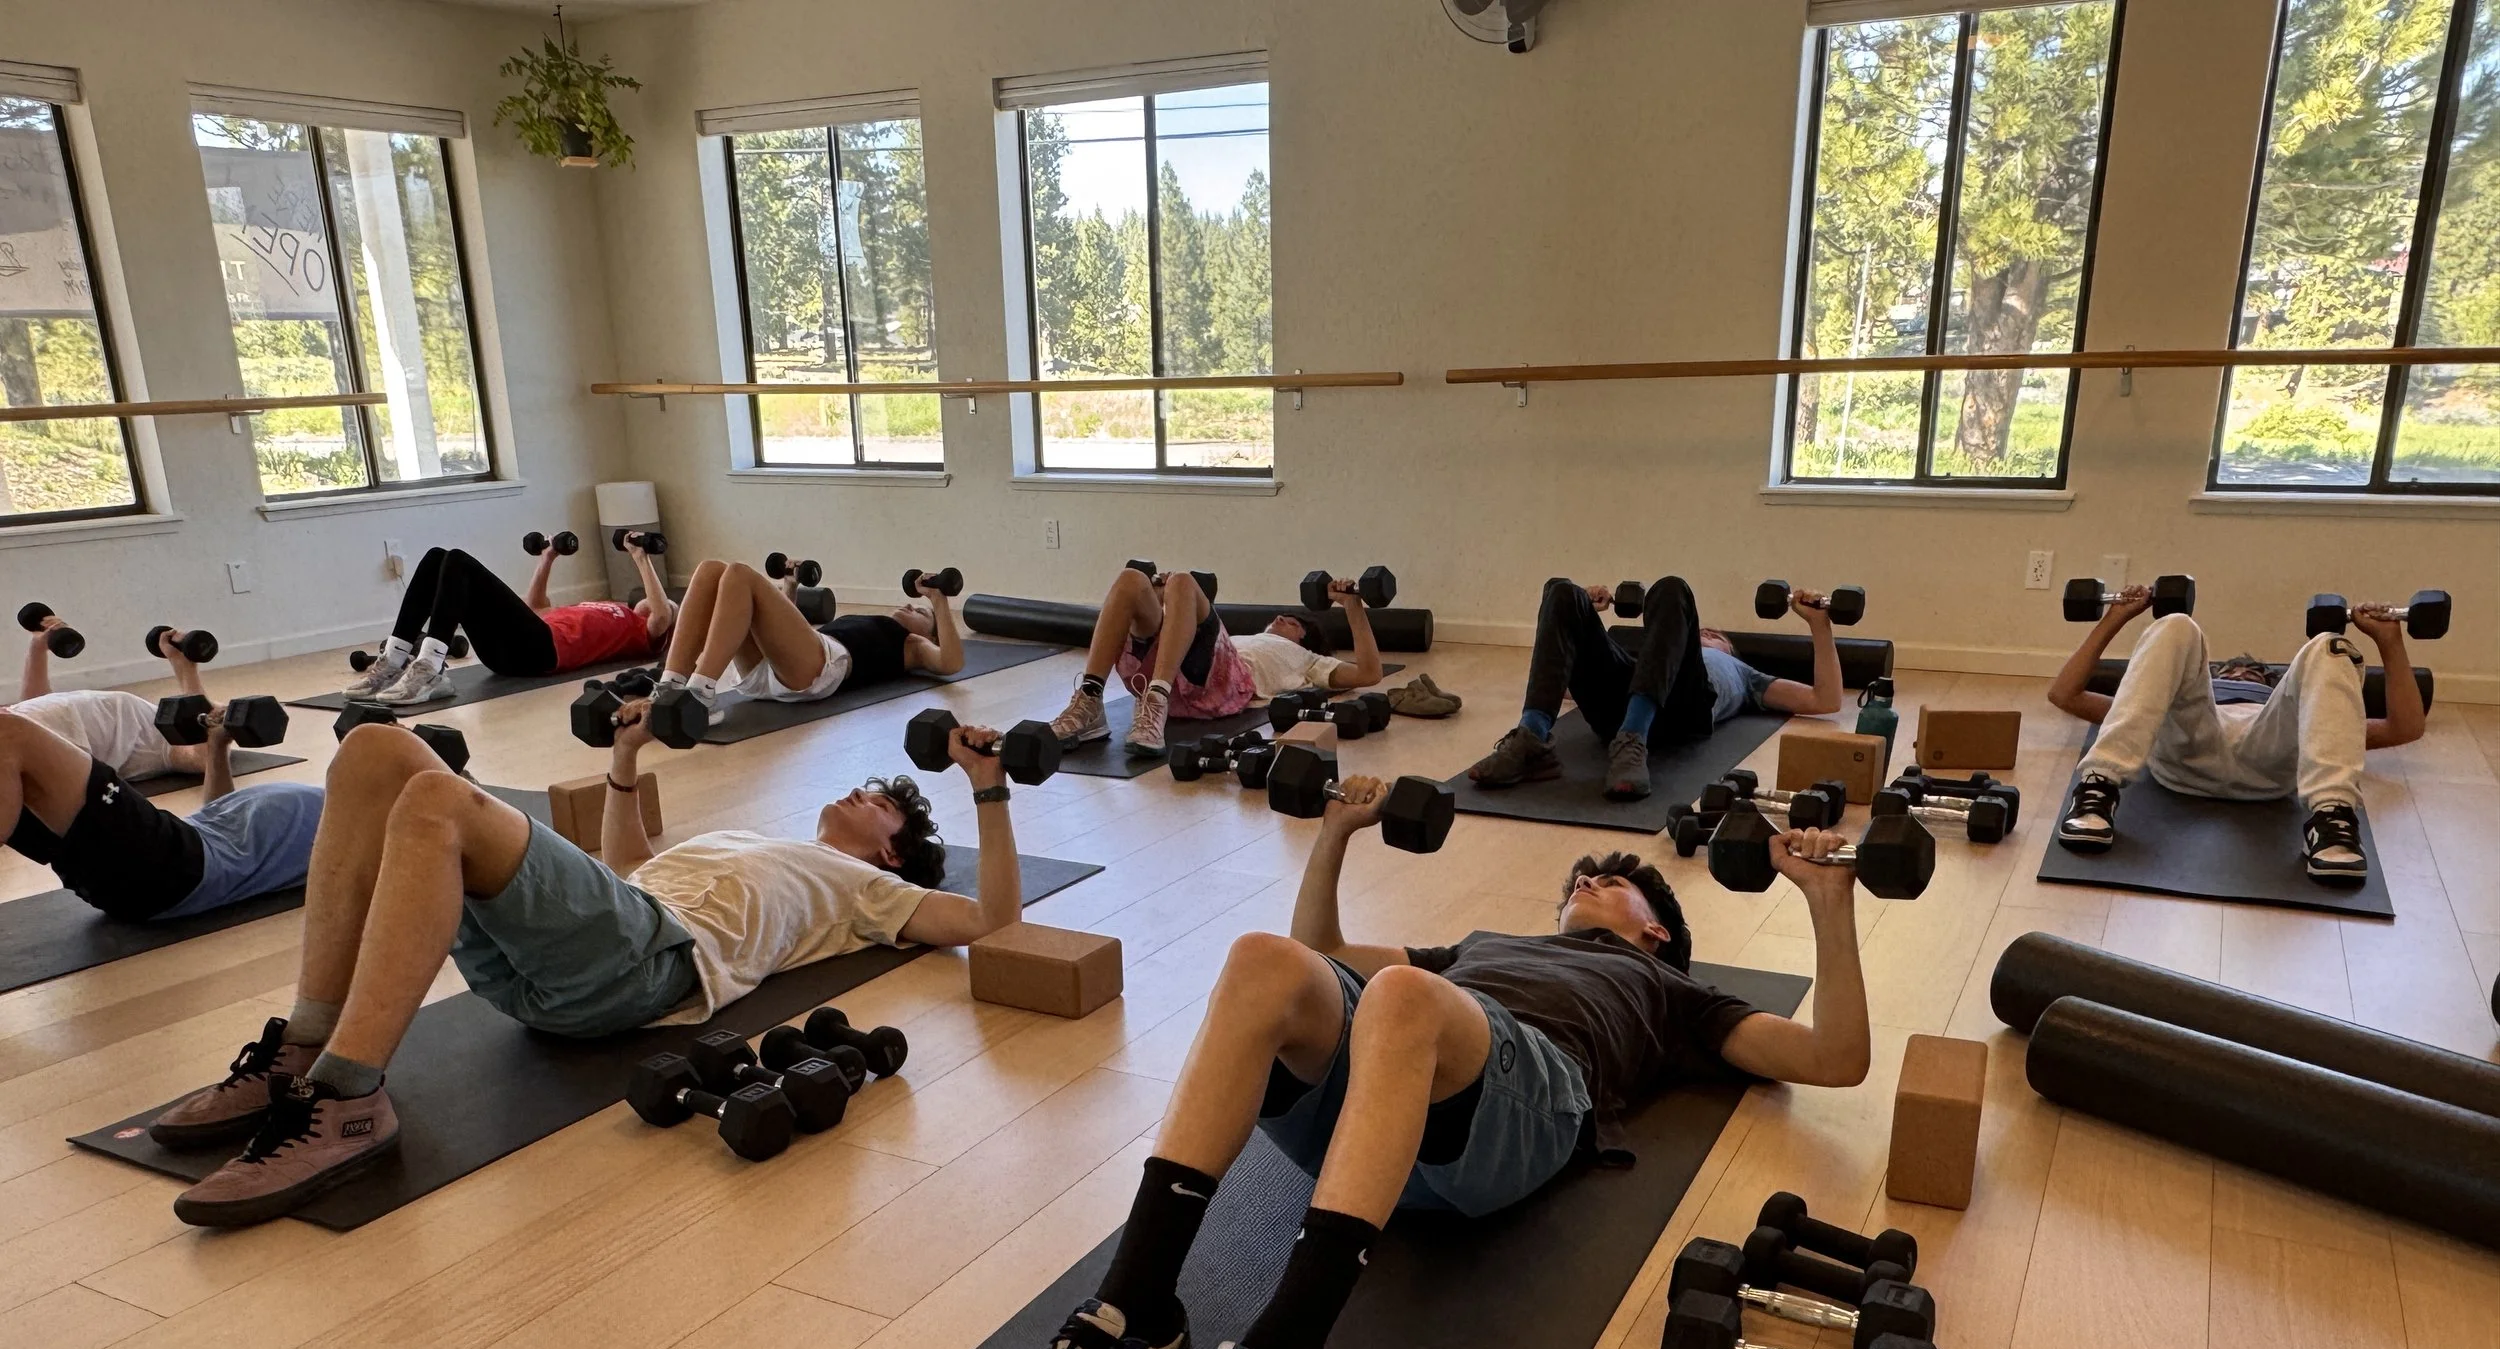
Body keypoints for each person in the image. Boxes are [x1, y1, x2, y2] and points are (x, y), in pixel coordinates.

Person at [971, 778, 1872, 1349]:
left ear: (1658, 935)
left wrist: (1829, 901)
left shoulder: (1677, 992)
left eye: (1617, 883)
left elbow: (1835, 1058)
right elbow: (1318, 956)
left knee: (1401, 996)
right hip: (1382, 1114)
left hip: (1516, 1120)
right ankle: (1137, 1317)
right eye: (1580, 877)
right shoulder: (1484, 948)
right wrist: (1333, 833)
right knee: (1263, 961)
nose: (1591, 877)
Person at [158, 699, 1021, 1225]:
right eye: (866, 786)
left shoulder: (864, 891)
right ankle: (306, 1044)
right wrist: (625, 758)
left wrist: (988, 784)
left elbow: (990, 918)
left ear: (895, 856)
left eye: (881, 806)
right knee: (374, 750)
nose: (860, 794)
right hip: (593, 942)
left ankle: (348, 1099)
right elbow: (625, 869)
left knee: (430, 797)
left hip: (648, 966)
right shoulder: (754, 840)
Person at [2045, 585, 2424, 882]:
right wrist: (2116, 618)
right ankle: (2098, 790)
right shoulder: (2177, 702)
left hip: (2269, 764)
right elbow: (2064, 694)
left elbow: (2404, 728)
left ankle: (2332, 822)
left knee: (2330, 645)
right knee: (2176, 624)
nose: (2241, 674)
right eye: (2231, 672)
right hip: (2188, 752)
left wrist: (2390, 643)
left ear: (2270, 684)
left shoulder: (2298, 715)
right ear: (2214, 678)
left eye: (2254, 674)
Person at [2, 652, 321, 924]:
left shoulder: (358, 823)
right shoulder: (338, 804)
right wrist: (217, 745)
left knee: (10, 731)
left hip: (174, 868)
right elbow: (217, 814)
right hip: (156, 868)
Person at [1467, 577, 1846, 802]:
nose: (1707, 634)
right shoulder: (1646, 660)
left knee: (1671, 588)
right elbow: (1563, 688)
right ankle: (1532, 737)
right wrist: (1583, 615)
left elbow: (1824, 699)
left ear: (1727, 649)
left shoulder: (1745, 675)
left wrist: (1819, 624)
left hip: (1684, 710)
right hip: (1621, 704)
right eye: (1701, 633)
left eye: (1715, 636)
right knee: (1561, 591)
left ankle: (1634, 736)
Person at [1044, 566, 1386, 758]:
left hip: (1219, 688)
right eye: (1277, 618)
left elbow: (1370, 674)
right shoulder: (1238, 639)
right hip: (1158, 680)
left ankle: (1157, 698)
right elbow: (1173, 629)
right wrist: (1158, 595)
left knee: (1182, 580)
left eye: (1292, 622)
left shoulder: (1309, 661)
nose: (1281, 618)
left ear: (1302, 637)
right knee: (1131, 579)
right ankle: (1090, 702)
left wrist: (1352, 606)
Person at [343, 535, 680, 705]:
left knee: (458, 560)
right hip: (513, 649)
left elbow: (663, 613)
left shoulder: (640, 634)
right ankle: (394, 660)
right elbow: (535, 607)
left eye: (665, 606)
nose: (658, 605)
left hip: (542, 653)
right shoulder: (605, 605)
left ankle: (430, 669)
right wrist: (548, 558)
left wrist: (640, 556)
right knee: (437, 558)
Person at [642, 560, 966, 729]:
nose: (911, 607)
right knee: (712, 569)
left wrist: (938, 600)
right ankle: (670, 685)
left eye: (920, 613)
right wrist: (790, 588)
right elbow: (784, 636)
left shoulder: (911, 645)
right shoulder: (866, 623)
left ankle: (700, 692)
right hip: (786, 668)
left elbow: (951, 662)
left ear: (929, 634)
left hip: (821, 673)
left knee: (739, 573)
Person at [12, 617, 205, 784]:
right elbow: (203, 759)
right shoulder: (155, 732)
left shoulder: (162, 747)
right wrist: (183, 665)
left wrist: (37, 649)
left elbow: (202, 759)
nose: (219, 714)